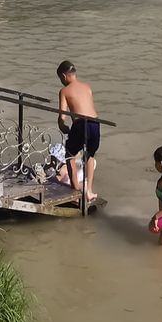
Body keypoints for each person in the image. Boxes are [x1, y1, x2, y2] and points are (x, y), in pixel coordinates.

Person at [56, 60, 101, 211]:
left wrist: (62, 126)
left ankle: (76, 191)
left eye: (61, 79)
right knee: (90, 155)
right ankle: (88, 190)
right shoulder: (87, 87)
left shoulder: (65, 91)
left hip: (81, 123)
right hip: (95, 122)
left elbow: (62, 115)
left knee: (69, 154)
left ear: (64, 76)